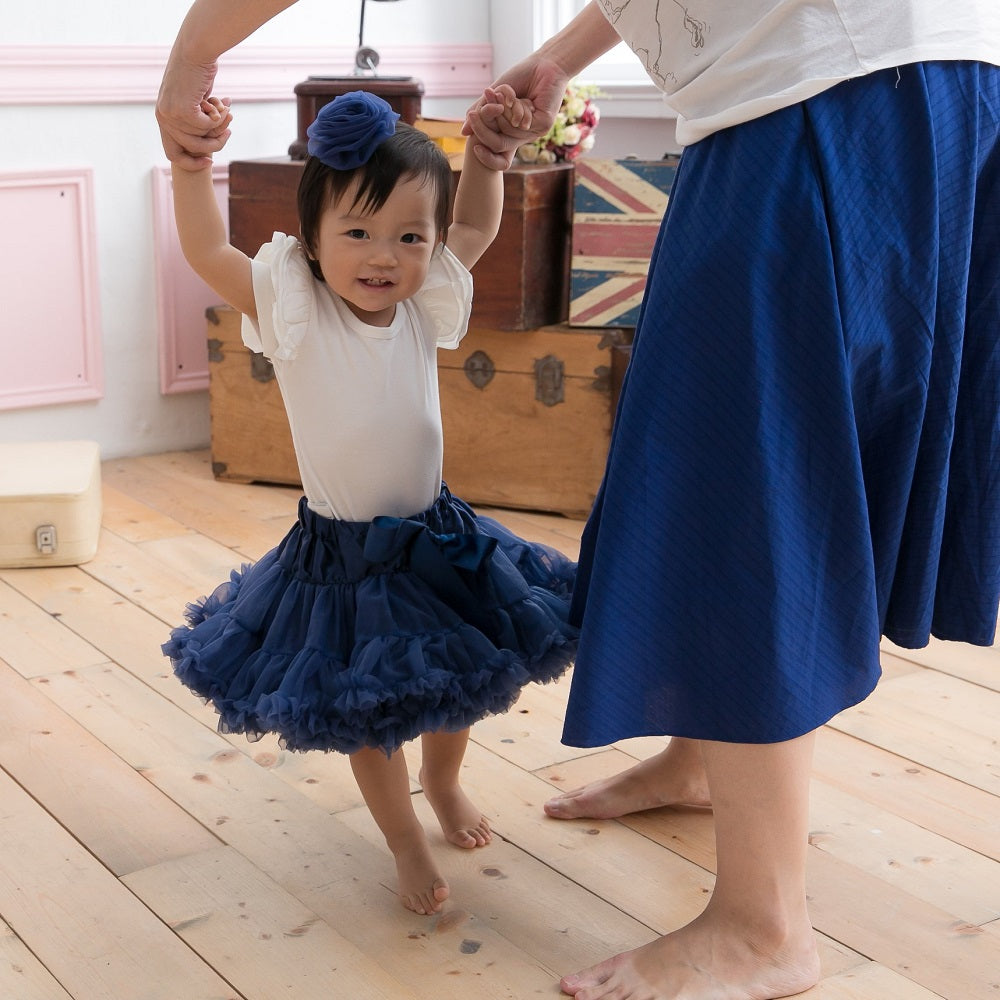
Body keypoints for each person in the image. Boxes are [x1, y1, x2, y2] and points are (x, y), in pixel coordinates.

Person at [460, 1, 1000, 998]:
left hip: (827, 91)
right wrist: (559, 56)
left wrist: (194, 53)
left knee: (742, 486)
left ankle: (764, 928)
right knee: (739, 461)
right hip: (899, 81)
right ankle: (700, 758)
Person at [161, 84, 580, 918]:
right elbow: (209, 251)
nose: (382, 255)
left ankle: (445, 779)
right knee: (368, 710)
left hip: (437, 535)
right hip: (345, 562)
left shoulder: (421, 305)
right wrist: (190, 166)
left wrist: (489, 161)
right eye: (357, 232)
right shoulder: (298, 310)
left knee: (461, 676)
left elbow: (476, 229)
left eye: (406, 236)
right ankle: (401, 838)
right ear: (312, 240)